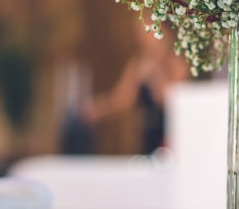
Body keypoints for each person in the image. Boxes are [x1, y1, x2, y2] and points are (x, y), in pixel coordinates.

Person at [81, 21, 191, 154]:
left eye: (148, 29)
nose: (143, 35)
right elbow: (123, 99)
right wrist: (97, 109)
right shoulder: (139, 63)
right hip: (148, 135)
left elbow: (172, 99)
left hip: (172, 133)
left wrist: (157, 73)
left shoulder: (177, 62)